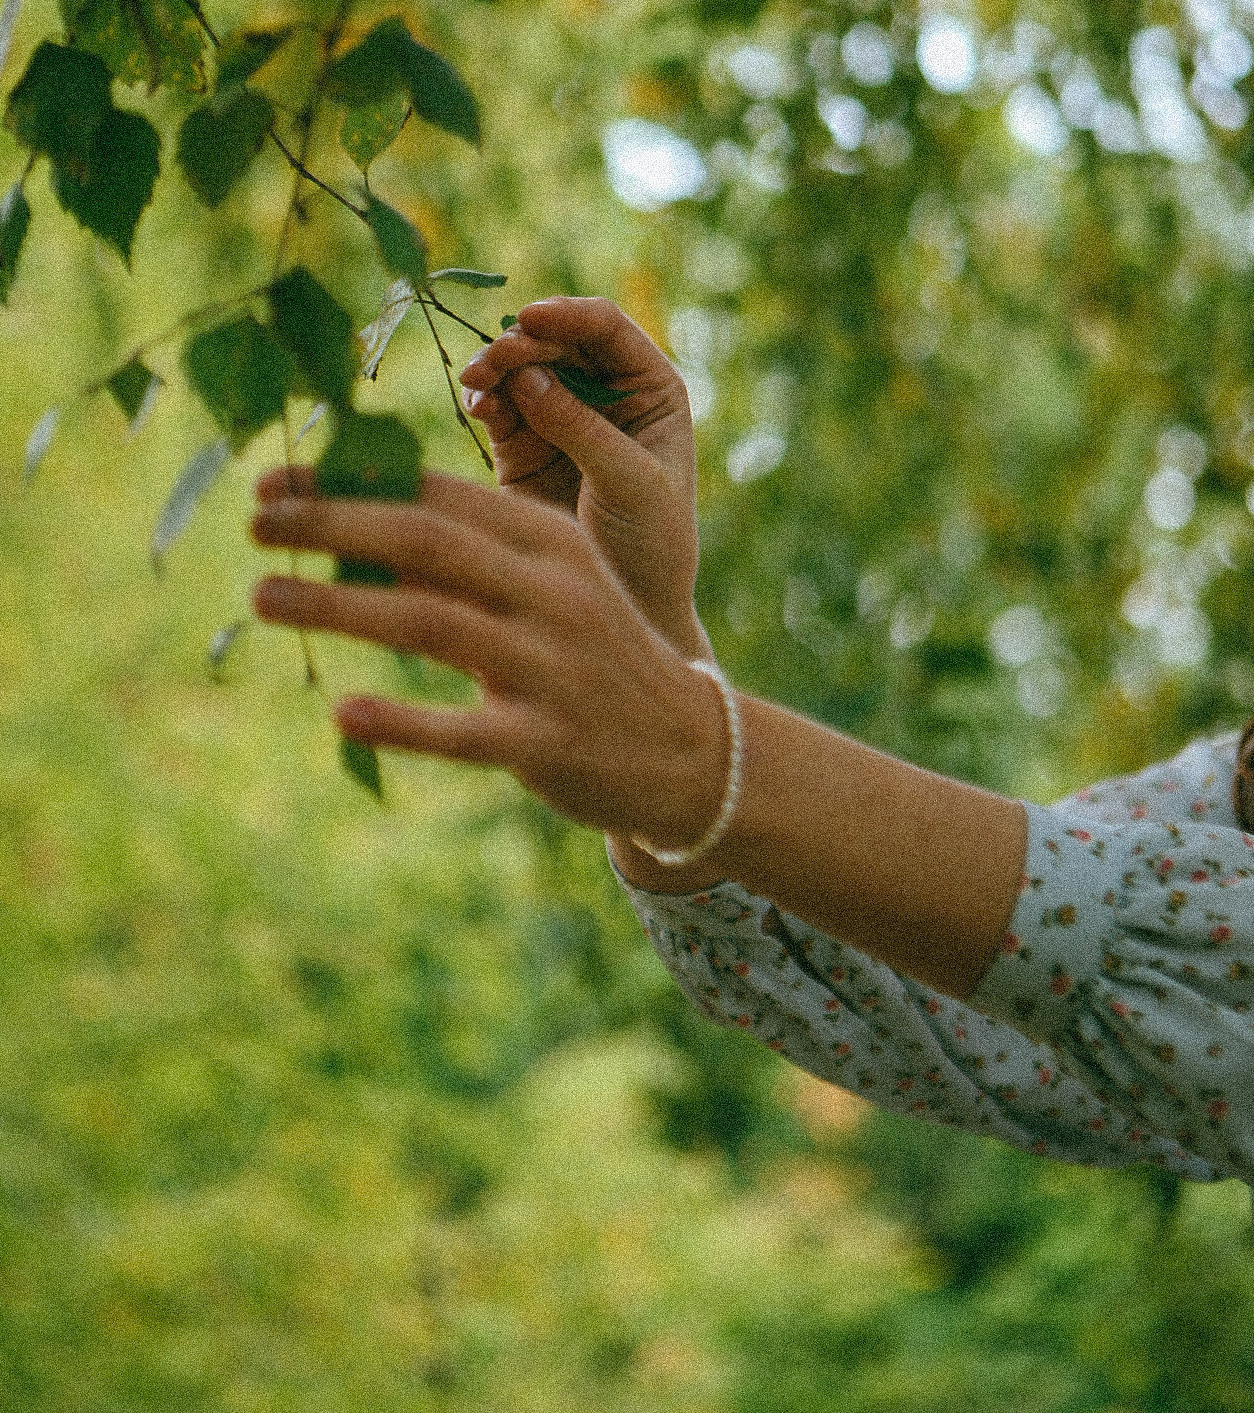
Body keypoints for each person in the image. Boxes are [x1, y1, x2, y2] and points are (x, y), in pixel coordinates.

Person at [250, 297, 1254, 1187]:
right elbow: (916, 970)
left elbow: (1098, 948)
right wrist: (647, 635)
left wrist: (691, 750)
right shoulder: (1221, 796)